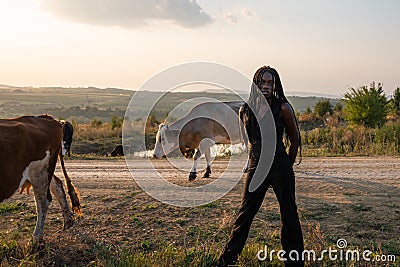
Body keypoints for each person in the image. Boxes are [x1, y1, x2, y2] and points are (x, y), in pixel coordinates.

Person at [218, 66, 304, 266]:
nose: (266, 86)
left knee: (289, 214)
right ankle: (227, 261)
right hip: (257, 167)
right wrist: (252, 162)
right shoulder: (245, 110)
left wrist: (287, 166)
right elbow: (250, 141)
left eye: (270, 83)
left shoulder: (283, 107)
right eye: (262, 82)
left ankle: (295, 262)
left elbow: (295, 140)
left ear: (275, 85)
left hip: (279, 165)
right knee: (245, 214)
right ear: (256, 84)